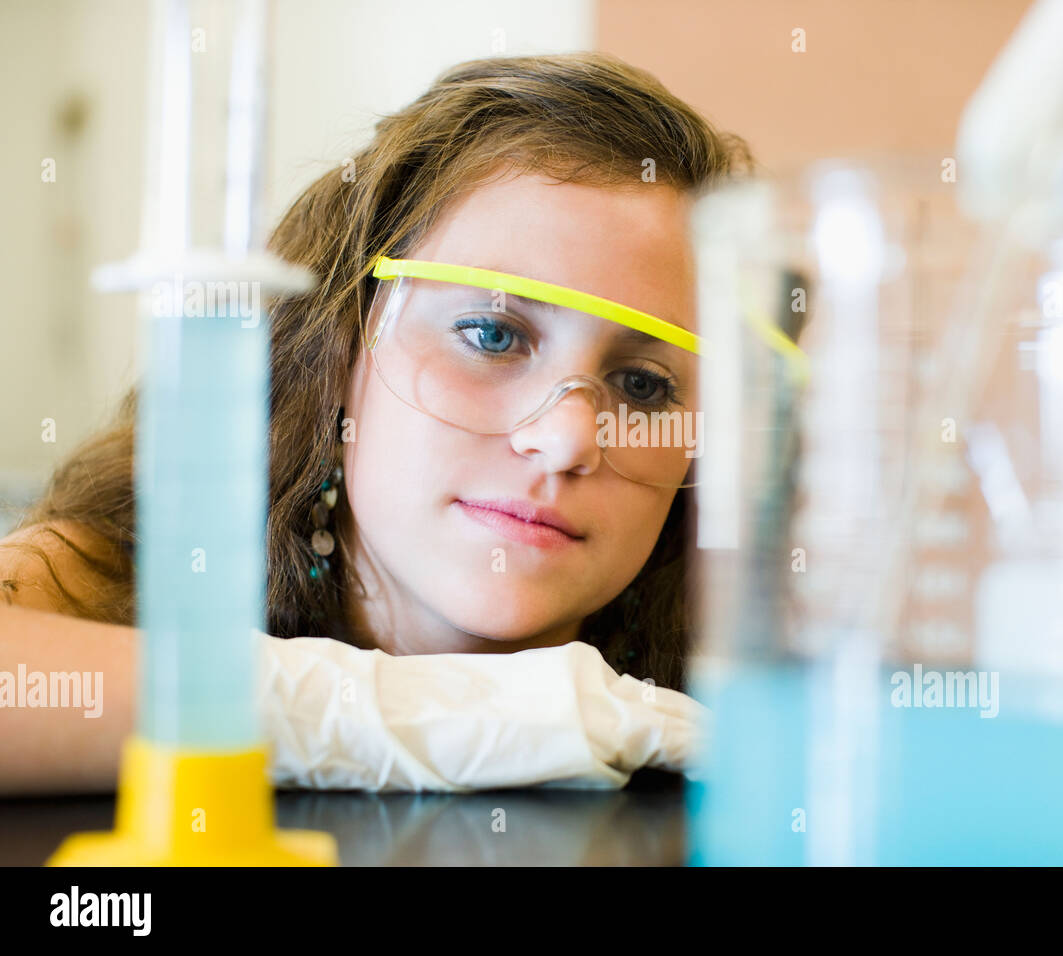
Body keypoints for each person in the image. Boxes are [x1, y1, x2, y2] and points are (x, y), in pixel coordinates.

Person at [0, 51, 754, 794]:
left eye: (643, 386)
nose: (565, 440)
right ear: (338, 347)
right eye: (492, 336)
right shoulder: (124, 572)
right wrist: (408, 715)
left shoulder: (740, 695)